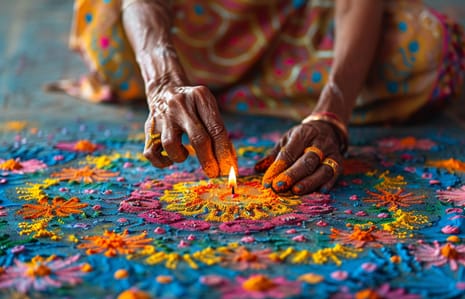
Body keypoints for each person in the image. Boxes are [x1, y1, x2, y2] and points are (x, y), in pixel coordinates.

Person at [48, 0, 465, 194]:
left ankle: (235, 89)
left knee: (430, 50)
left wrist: (333, 110)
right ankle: (195, 91)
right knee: (111, 29)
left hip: (294, 20)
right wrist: (162, 80)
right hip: (190, 19)